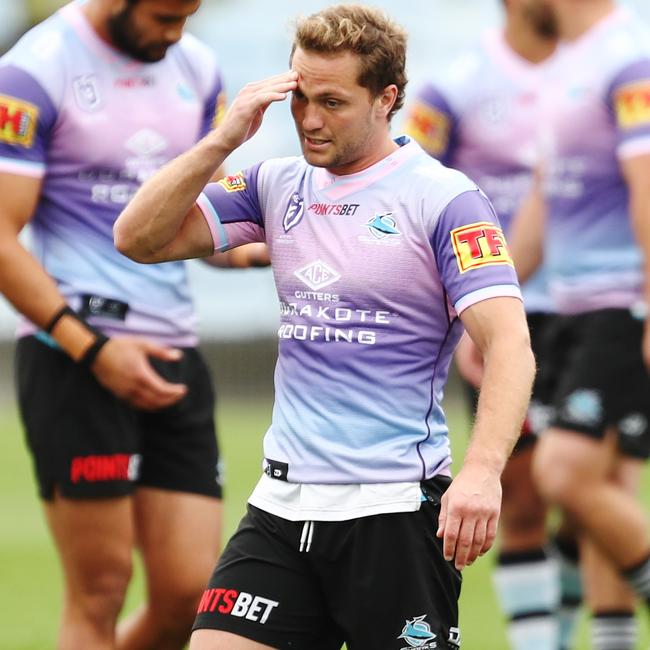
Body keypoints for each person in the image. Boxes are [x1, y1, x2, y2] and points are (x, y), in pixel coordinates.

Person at [114, 5, 536, 649]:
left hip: (392, 511)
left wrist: (481, 473)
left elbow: (509, 346)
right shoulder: (274, 183)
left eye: (333, 102)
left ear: (386, 98)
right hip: (282, 507)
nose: (310, 119)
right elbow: (137, 238)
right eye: (300, 97)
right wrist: (225, 137)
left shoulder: (446, 200)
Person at [0, 1, 260, 648]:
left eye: (187, 16)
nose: (177, 33)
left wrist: (266, 248)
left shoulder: (197, 68)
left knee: (188, 597)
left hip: (174, 354)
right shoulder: (34, 71)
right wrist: (92, 352)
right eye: (165, 16)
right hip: (76, 359)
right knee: (100, 590)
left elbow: (205, 225)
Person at [403, 3, 582, 649]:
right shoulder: (458, 85)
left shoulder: (595, 72)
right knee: (527, 498)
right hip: (501, 316)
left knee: (588, 491)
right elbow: (405, 189)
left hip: (592, 311)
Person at [509, 1, 650, 649]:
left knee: (565, 473)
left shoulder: (629, 57)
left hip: (621, 304)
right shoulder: (565, 65)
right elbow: (544, 194)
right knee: (603, 487)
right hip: (567, 310)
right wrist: (493, 303)